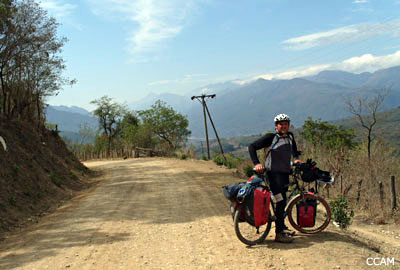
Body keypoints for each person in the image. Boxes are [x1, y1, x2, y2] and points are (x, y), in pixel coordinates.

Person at [248, 113, 301, 243]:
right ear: (276, 126)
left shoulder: (290, 136)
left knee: (283, 199)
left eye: (286, 124)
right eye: (281, 124)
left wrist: (296, 159)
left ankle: (282, 226)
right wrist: (257, 163)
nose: (283, 126)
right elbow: (252, 147)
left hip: (284, 173)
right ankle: (279, 234)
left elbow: (294, 149)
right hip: (272, 174)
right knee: (280, 201)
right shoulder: (270, 137)